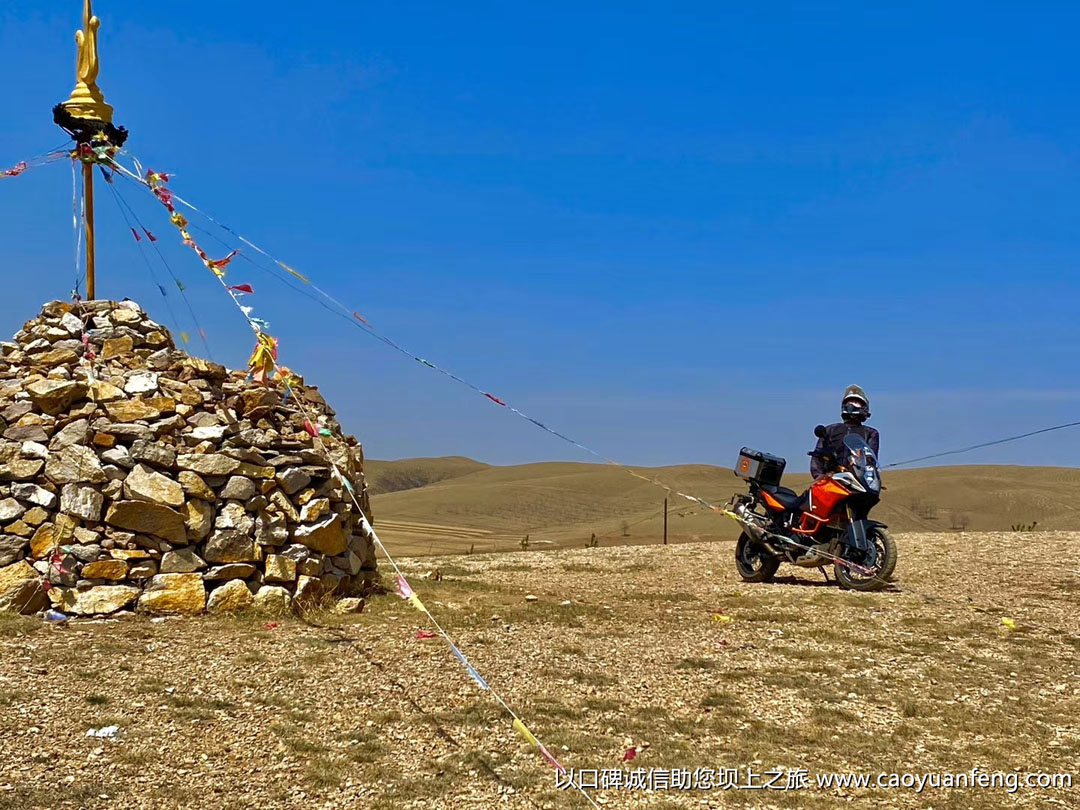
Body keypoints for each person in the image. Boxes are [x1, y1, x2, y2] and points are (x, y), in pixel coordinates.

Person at [810, 385, 880, 477]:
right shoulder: (830, 430)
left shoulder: (870, 433)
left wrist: (861, 461)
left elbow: (871, 459)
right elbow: (817, 457)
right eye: (849, 403)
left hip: (859, 481)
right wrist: (819, 476)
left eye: (856, 403)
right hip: (831, 479)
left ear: (864, 407)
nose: (851, 405)